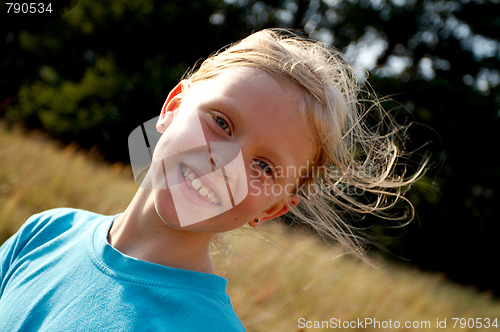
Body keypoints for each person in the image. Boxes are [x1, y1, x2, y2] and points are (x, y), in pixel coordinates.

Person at [0, 28, 426, 330]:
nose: (226, 164)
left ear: (274, 208)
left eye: (264, 167)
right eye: (222, 122)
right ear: (173, 106)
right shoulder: (46, 231)